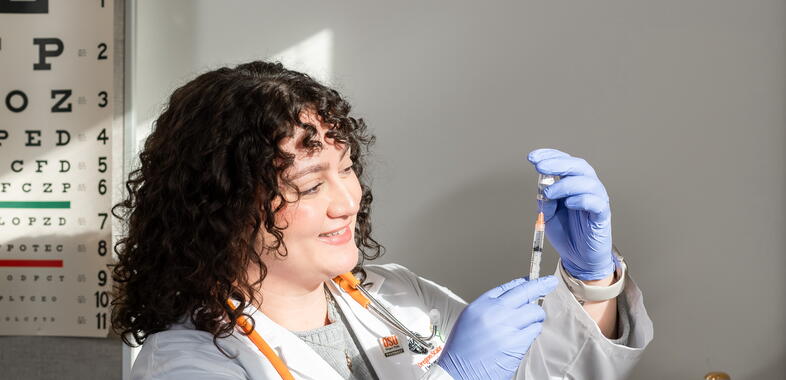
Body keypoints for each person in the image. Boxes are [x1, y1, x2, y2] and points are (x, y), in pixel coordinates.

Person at [112, 61, 653, 380]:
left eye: (347, 170)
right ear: (224, 206)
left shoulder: (396, 298)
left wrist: (592, 281)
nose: (346, 200)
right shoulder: (189, 365)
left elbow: (548, 375)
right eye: (309, 184)